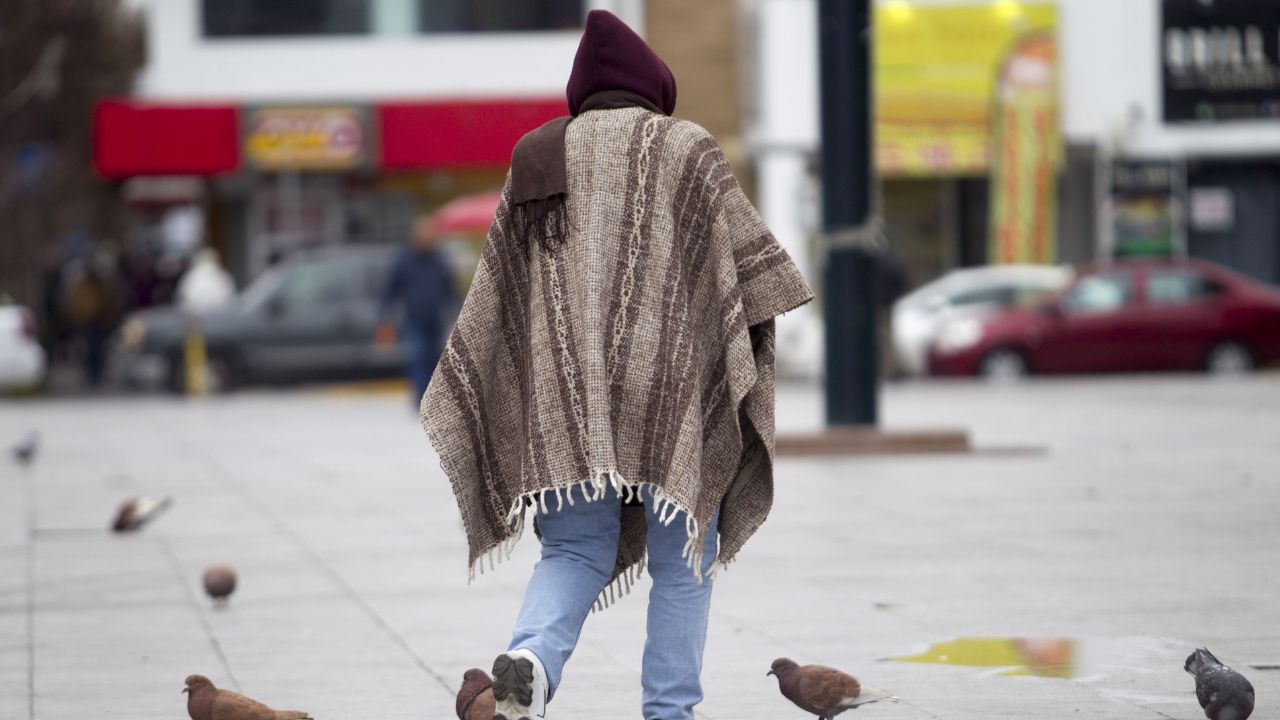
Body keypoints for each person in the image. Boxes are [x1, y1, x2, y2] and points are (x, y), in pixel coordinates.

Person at [421, 11, 812, 720]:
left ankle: (531, 669)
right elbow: (756, 276)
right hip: (676, 395)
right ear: (653, 84)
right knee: (684, 559)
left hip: (565, 406)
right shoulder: (688, 148)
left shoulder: (537, 155)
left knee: (572, 551)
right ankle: (670, 712)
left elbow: (498, 302)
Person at [380, 216, 458, 402]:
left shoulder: (439, 260)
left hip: (435, 319)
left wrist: (456, 310)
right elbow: (391, 289)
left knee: (434, 359)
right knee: (419, 357)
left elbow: (449, 289)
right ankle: (421, 398)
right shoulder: (405, 260)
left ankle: (433, 399)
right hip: (414, 319)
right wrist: (385, 314)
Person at [175, 247, 236, 314]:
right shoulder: (223, 275)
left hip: (197, 319)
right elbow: (230, 300)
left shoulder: (191, 276)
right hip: (221, 318)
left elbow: (183, 300)